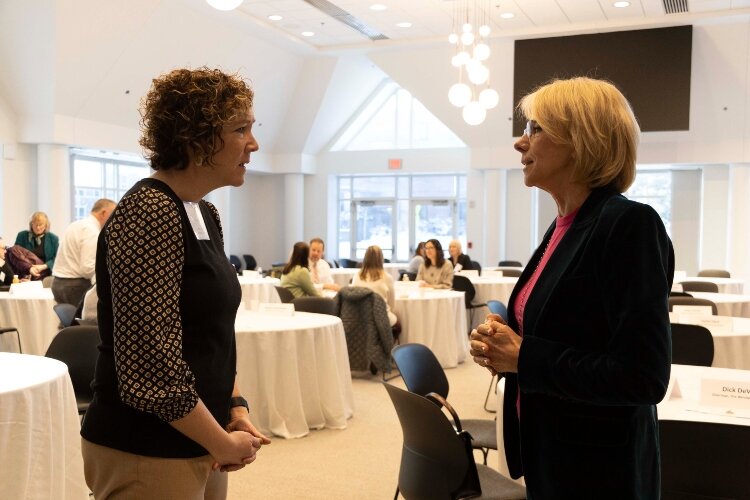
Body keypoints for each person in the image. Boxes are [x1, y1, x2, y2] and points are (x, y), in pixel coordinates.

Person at [469, 77, 673, 499]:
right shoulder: (563, 226)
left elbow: (643, 377)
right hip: (553, 453)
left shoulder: (628, 224)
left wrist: (524, 355)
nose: (519, 143)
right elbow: (566, 331)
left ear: (582, 139)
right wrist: (502, 345)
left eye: (535, 129)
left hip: (600, 471)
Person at [80, 67, 270, 499]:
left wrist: (234, 406)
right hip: (147, 445)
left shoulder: (205, 214)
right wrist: (221, 442)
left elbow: (208, 333)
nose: (253, 143)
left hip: (200, 432)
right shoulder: (150, 211)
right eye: (241, 129)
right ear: (197, 139)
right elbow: (149, 364)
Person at [51, 198, 116, 306]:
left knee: (68, 322)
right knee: (83, 321)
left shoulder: (76, 225)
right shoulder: (92, 231)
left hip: (58, 283)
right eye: (113, 214)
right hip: (74, 286)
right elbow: (87, 268)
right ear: (104, 213)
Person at [351, 245, 397, 326]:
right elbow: (392, 304)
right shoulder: (387, 277)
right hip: (382, 319)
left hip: (360, 318)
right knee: (398, 320)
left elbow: (354, 299)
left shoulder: (356, 276)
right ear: (381, 259)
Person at [14, 211, 59, 278]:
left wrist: (43, 266)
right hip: (25, 272)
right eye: (35, 224)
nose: (38, 228)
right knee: (12, 250)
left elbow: (57, 258)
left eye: (40, 224)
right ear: (31, 224)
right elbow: (16, 255)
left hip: (45, 272)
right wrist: (29, 268)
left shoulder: (53, 238)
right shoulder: (22, 235)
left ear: (46, 225)